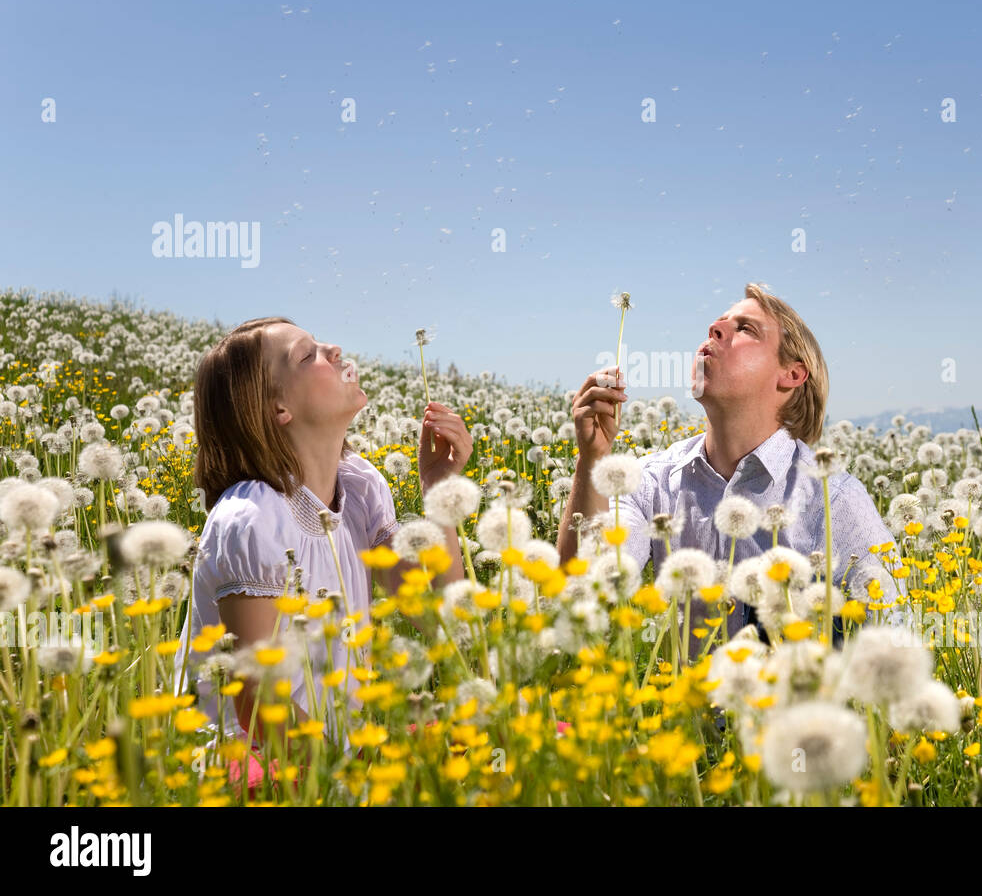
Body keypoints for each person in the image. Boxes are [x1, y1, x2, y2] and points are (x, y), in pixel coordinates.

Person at [172, 316, 471, 759]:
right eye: (308, 355)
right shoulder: (251, 518)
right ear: (278, 409)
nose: (334, 350)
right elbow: (259, 705)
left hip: (339, 754)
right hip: (256, 762)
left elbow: (441, 619)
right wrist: (358, 775)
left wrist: (440, 491)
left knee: (519, 732)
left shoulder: (361, 486)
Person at [557, 283, 903, 650]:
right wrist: (592, 460)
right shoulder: (649, 483)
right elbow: (581, 589)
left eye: (745, 329)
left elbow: (895, 636)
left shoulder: (834, 500)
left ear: (792, 375)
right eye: (718, 323)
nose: (715, 329)